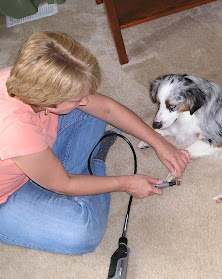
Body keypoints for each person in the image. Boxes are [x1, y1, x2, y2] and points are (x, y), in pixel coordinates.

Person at [0, 32, 190, 255]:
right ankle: (91, 165)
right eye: (75, 99)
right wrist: (125, 183)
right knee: (81, 232)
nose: (84, 100)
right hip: (7, 196)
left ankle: (59, 174)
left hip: (31, 152)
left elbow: (107, 109)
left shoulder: (26, 77)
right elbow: (64, 183)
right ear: (47, 101)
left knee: (97, 113)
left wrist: (158, 140)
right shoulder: (14, 128)